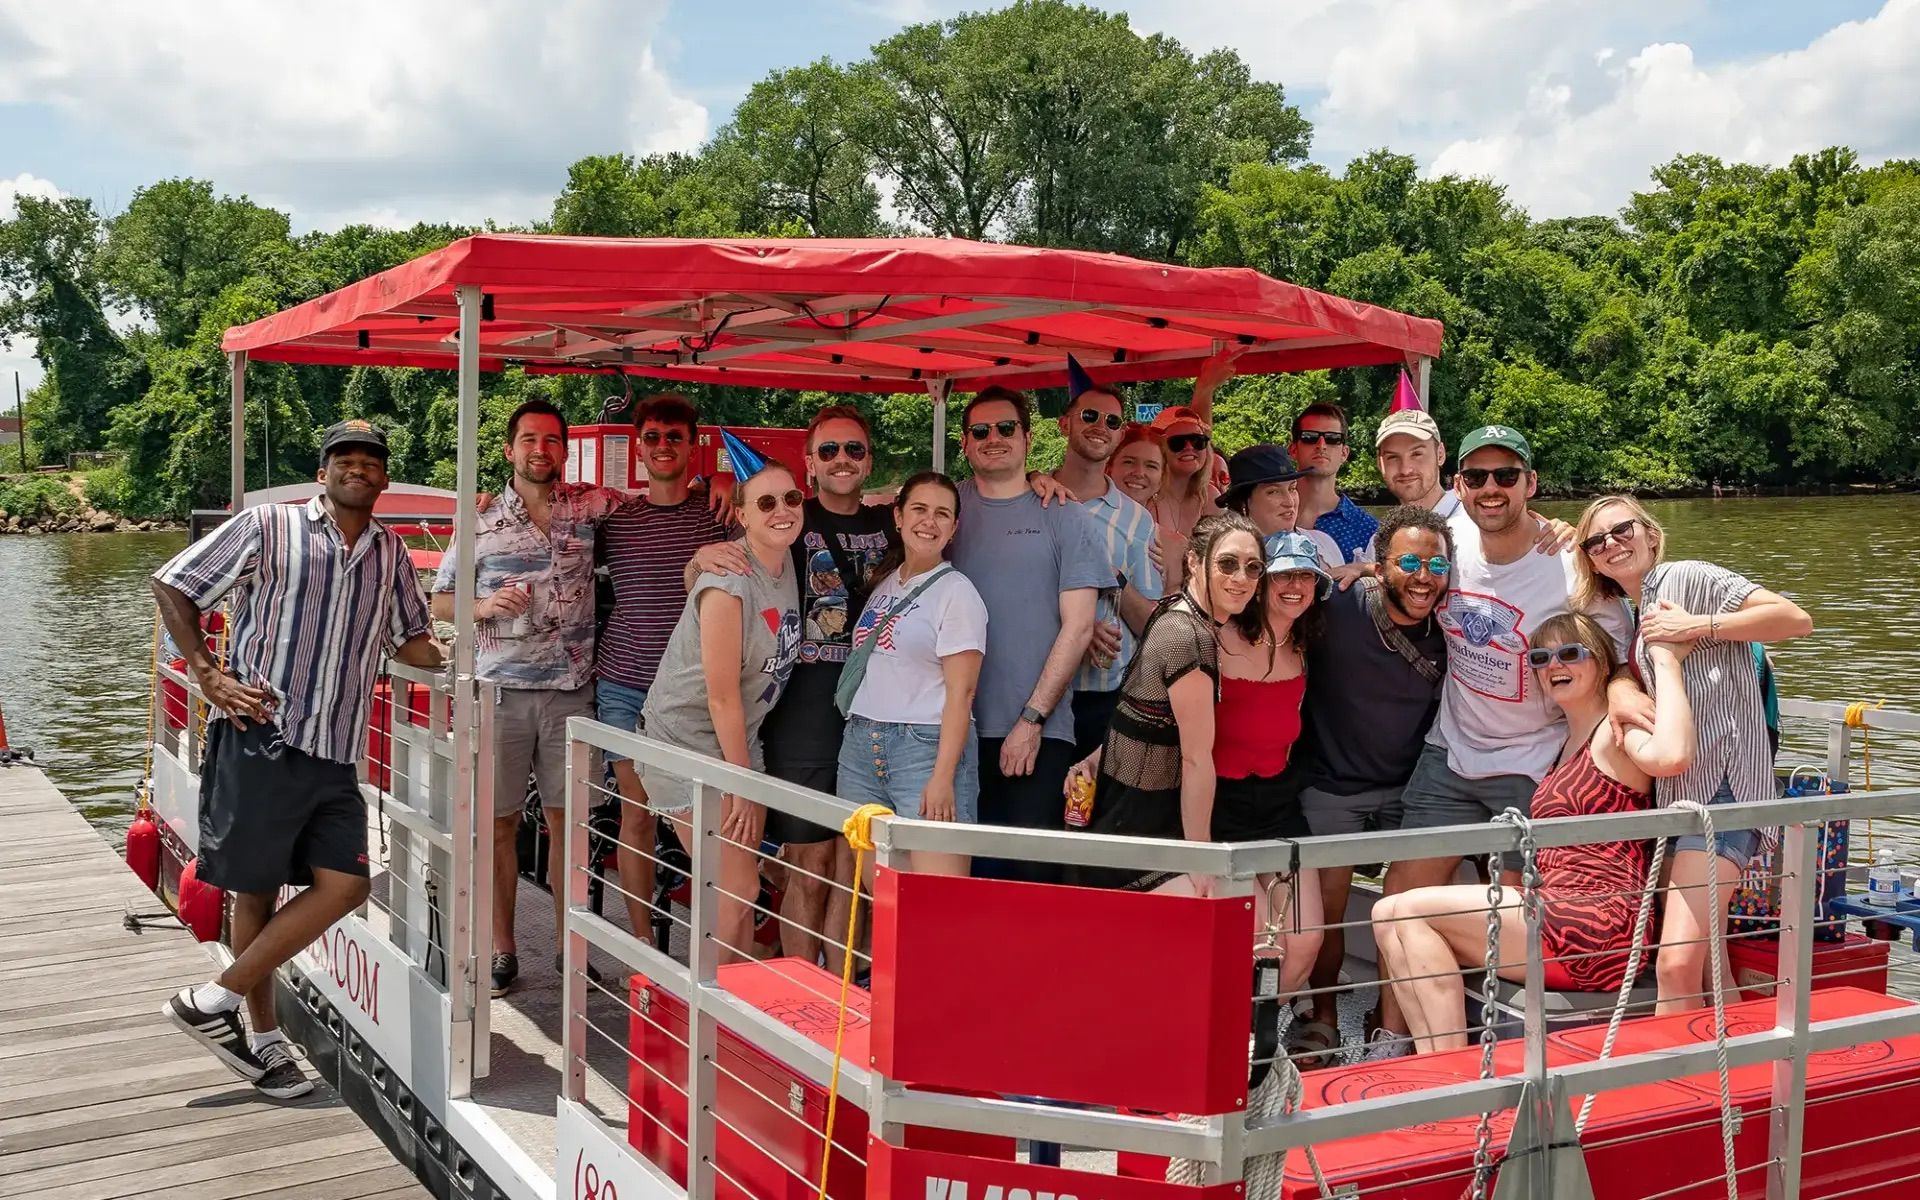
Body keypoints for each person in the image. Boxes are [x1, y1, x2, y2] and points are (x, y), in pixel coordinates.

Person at [154, 419, 441, 1099]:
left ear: (384, 479)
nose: (357, 468)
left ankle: (215, 999)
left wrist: (477, 653)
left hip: (336, 749)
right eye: (344, 457)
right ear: (323, 471)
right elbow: (173, 583)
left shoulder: (390, 554)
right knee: (255, 888)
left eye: (370, 461)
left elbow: (412, 640)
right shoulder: (267, 527)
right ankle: (263, 1043)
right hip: (262, 737)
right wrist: (206, 672)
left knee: (345, 886)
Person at [1376, 425, 1638, 1054]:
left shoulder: (1569, 562)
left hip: (1532, 765)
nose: (1490, 490)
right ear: (1458, 483)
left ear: (1530, 484)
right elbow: (1390, 545)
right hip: (1452, 749)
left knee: (1511, 918)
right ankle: (1390, 1041)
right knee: (1398, 896)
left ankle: (1507, 1051)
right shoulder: (1446, 538)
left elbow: (1620, 652)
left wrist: (1626, 692)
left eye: (1506, 476)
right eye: (1477, 478)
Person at [1371, 613, 1698, 1052]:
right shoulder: (1564, 743)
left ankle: (1457, 1075)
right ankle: (1444, 1071)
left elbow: (1672, 756)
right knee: (1386, 913)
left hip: (1593, 925)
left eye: (1569, 653)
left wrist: (1665, 666)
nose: (1552, 665)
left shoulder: (1616, 730)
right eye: (1541, 658)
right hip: (1554, 909)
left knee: (1407, 912)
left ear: (1600, 661)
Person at [1571, 494, 1814, 1013]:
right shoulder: (1638, 615)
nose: (1610, 544)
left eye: (1621, 530)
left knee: (1676, 963)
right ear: (1590, 560)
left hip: (1723, 788)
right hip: (1685, 794)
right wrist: (1619, 687)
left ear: (1651, 533)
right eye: (1596, 542)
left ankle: (1674, 1083)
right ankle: (1739, 1079)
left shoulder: (1686, 576)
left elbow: (1794, 619)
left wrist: (1698, 627)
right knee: (1707, 960)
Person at [430, 398, 628, 998]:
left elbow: (657, 502)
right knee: (499, 825)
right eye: (528, 440)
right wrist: (484, 608)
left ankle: (574, 950)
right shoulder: (481, 522)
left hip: (573, 692)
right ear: (510, 449)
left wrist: (710, 485)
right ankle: (501, 949)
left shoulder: (592, 506)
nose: (540, 450)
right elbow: (440, 603)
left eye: (551, 440)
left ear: (565, 450)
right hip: (501, 694)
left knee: (574, 827)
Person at [685, 405, 892, 970]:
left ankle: (839, 991)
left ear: (869, 458)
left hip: (873, 716)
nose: (842, 460)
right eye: (829, 451)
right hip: (801, 713)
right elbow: (714, 575)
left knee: (854, 866)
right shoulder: (787, 520)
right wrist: (700, 557)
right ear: (809, 464)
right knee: (810, 864)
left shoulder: (895, 523)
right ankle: (803, 995)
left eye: (853, 449)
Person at [1287, 505, 1452, 1065]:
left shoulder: (1456, 623)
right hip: (1333, 782)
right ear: (1378, 567)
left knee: (1408, 908)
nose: (1423, 575)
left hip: (1414, 786)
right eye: (1408, 561)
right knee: (1327, 909)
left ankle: (1392, 1022)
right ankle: (1324, 1014)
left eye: (1436, 563)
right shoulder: (1338, 608)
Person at [639, 458, 803, 963]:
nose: (782, 511)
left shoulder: (786, 557)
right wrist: (742, 784)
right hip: (686, 744)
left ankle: (721, 1010)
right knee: (734, 893)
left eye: (792, 499)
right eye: (767, 502)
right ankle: (707, 1024)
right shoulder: (732, 581)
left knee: (738, 889)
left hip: (735, 741)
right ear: (742, 516)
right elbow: (721, 695)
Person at [949, 385, 1107, 883]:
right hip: (944, 731)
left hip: (1035, 732)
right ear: (964, 443)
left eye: (1005, 428)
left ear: (1027, 436)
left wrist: (1032, 720)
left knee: (1029, 880)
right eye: (980, 430)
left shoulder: (1065, 513)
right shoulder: (942, 510)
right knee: (952, 878)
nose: (992, 438)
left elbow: (1080, 625)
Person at [1062, 513, 1263, 896]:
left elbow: (1141, 717)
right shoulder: (1189, 636)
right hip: (1143, 832)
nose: (1241, 578)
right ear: (1193, 561)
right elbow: (1195, 759)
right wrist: (1199, 856)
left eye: (1253, 567)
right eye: (1227, 563)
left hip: (1126, 820)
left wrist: (1093, 758)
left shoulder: (1171, 614)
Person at [596, 394, 730, 945]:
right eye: (652, 437)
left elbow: (780, 506)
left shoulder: (721, 515)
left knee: (704, 824)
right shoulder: (616, 519)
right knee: (639, 816)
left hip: (697, 693)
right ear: (637, 447)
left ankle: (716, 944)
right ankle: (643, 945)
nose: (663, 446)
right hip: (625, 682)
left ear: (694, 445)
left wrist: (727, 481)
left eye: (675, 436)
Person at [837, 472, 988, 877]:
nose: (929, 521)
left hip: (923, 747)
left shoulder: (957, 593)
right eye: (919, 509)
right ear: (898, 517)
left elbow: (963, 693)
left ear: (954, 528)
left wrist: (942, 779)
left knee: (934, 895)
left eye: (942, 514)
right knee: (879, 889)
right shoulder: (886, 583)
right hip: (861, 745)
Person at [1210, 529, 1329, 995]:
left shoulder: (1304, 645)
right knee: (1261, 938)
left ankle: (1263, 1046)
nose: (1294, 585)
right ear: (1259, 582)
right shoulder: (1216, 638)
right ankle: (1233, 1050)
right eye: (1282, 574)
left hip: (1279, 804)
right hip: (1220, 804)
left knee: (1305, 940)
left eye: (1306, 575)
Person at [1051, 359, 1163, 761]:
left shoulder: (1137, 520)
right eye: (1090, 415)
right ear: (1065, 424)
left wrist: (1111, 579)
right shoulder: (1032, 498)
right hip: (1029, 689)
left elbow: (1148, 621)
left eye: (1113, 422)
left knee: (1093, 813)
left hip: (1102, 695)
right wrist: (1077, 627)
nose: (1101, 426)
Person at [1219, 443, 1342, 567]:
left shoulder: (1323, 543)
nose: (1289, 502)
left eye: (1292, 488)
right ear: (1242, 503)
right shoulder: (1229, 555)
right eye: (1273, 492)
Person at [1289, 402, 1378, 565]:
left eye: (1332, 439)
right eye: (1310, 437)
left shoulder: (1368, 529)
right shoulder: (1270, 514)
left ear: (1344, 453)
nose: (1321, 445)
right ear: (1293, 449)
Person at [1107, 423, 1167, 511]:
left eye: (1151, 466)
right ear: (1110, 467)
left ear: (1162, 478)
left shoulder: (1151, 524)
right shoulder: (1086, 517)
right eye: (1129, 462)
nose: (1139, 473)